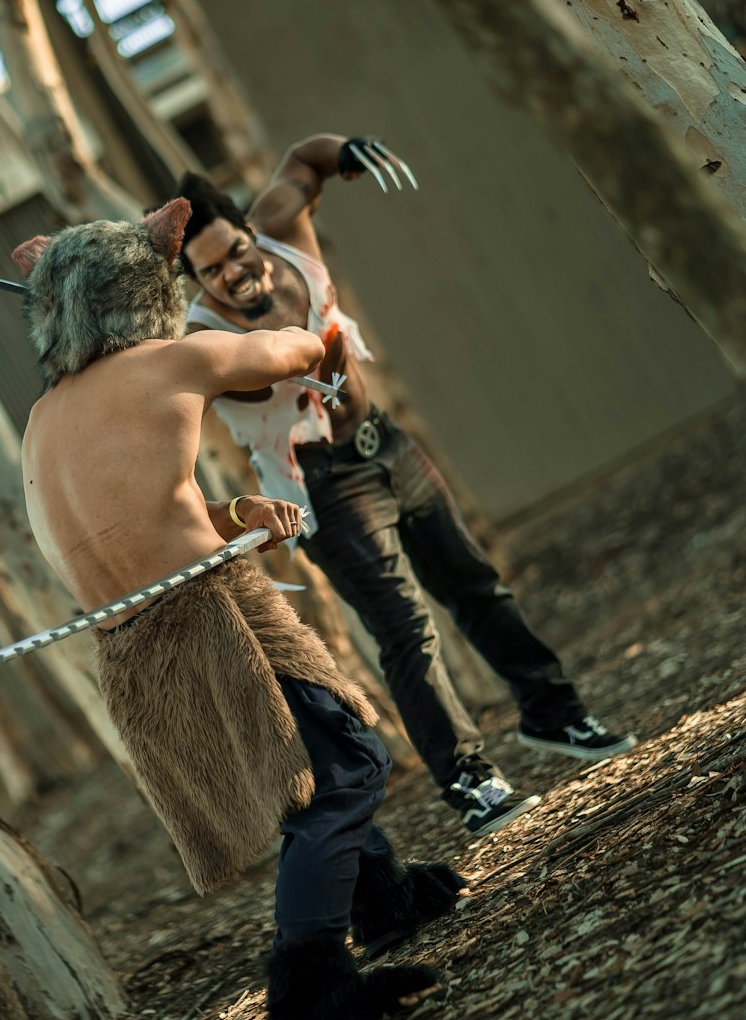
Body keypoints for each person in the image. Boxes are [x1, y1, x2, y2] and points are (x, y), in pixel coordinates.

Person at [11, 199, 466, 1020]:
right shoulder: (169, 361)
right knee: (343, 772)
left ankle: (382, 900)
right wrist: (296, 302)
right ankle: (308, 995)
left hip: (133, 639)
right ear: (149, 289)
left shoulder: (43, 422)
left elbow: (128, 531)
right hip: (207, 615)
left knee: (311, 760)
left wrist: (231, 514)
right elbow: (291, 350)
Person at [176, 134, 637, 838]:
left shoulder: (281, 231)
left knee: (477, 584)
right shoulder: (207, 342)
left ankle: (555, 713)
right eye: (210, 272)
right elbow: (280, 364)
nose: (233, 274)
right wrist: (316, 351)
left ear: (247, 230)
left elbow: (303, 161)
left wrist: (347, 151)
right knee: (408, 630)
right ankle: (470, 780)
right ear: (194, 282)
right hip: (323, 487)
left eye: (235, 251)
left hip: (387, 444)